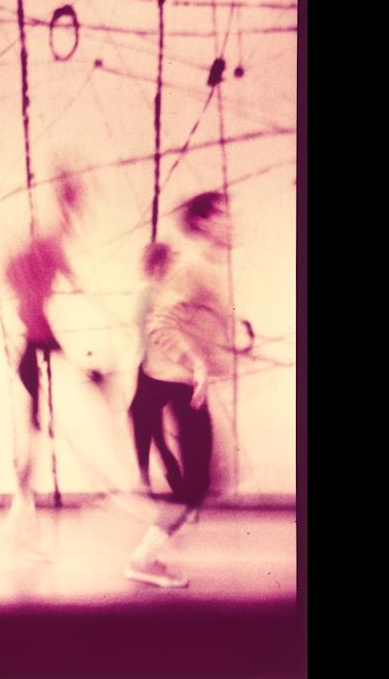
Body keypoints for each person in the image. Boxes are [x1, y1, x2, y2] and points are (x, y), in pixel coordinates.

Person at [124, 191, 233, 588]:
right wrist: (197, 362)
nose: (230, 221)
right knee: (194, 484)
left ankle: (147, 553)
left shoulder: (204, 266)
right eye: (222, 215)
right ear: (203, 222)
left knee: (201, 482)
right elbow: (160, 323)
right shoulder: (191, 266)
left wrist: (216, 356)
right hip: (176, 382)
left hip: (184, 382)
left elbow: (192, 324)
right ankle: (142, 558)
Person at [1, 172, 83, 545]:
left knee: (31, 428)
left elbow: (60, 252)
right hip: (33, 348)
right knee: (31, 431)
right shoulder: (34, 283)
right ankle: (21, 505)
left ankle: (22, 506)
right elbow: (58, 244)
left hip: (33, 347)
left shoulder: (33, 274)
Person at [128, 242, 185, 498]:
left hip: (151, 365)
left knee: (144, 421)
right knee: (150, 424)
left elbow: (144, 329)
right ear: (160, 264)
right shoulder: (159, 291)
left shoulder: (148, 291)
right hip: (162, 364)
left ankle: (149, 479)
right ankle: (172, 479)